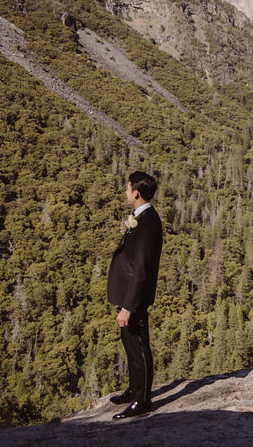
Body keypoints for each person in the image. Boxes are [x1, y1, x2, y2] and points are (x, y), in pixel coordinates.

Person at [106, 171, 163, 419]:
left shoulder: (149, 222)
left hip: (135, 297)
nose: (126, 191)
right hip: (129, 294)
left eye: (128, 188)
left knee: (140, 347)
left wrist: (128, 306)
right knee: (129, 344)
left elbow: (141, 270)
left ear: (136, 193)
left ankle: (142, 402)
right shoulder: (143, 217)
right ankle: (134, 389)